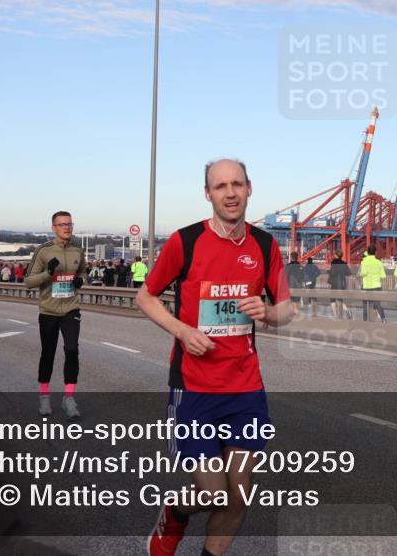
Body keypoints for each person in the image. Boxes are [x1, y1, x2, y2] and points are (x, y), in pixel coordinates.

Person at [135, 158, 291, 556]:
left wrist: (268, 312)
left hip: (245, 388)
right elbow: (145, 296)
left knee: (238, 495)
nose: (230, 193)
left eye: (237, 184)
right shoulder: (185, 241)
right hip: (195, 388)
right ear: (208, 194)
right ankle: (175, 512)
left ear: (249, 188)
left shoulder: (265, 245)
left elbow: (287, 310)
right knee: (213, 493)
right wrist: (182, 331)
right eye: (220, 186)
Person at [24, 211, 88, 419]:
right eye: (62, 224)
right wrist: (47, 273)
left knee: (72, 350)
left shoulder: (78, 250)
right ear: (53, 227)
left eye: (69, 224)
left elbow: (83, 273)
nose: (67, 228)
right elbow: (29, 281)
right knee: (48, 352)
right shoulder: (43, 251)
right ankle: (44, 396)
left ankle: (68, 398)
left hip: (71, 308)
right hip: (49, 311)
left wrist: (81, 281)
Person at [358, 245, 387, 323]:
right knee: (377, 304)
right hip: (376, 286)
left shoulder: (364, 262)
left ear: (368, 252)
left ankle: (365, 322)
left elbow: (363, 273)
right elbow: (383, 276)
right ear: (375, 252)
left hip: (366, 286)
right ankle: (383, 319)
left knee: (365, 306)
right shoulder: (379, 262)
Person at [328, 250, 352, 319]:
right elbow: (349, 273)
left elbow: (332, 272)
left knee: (332, 300)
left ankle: (335, 316)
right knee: (340, 299)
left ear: (336, 255)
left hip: (334, 283)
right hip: (342, 283)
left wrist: (328, 271)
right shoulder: (344, 263)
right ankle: (347, 310)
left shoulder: (333, 262)